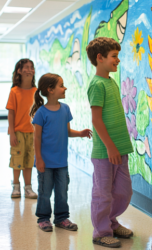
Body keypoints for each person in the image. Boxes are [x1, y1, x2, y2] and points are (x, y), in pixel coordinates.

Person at [86, 37, 134, 248]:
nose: (118, 60)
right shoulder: (96, 84)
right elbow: (96, 120)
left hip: (120, 149)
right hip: (105, 151)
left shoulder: (111, 82)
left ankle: (111, 222)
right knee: (103, 193)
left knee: (123, 191)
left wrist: (118, 147)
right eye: (114, 56)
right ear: (100, 58)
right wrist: (110, 146)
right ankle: (101, 231)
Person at [30, 73, 92, 232]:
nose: (65, 88)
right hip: (46, 162)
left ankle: (61, 218)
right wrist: (39, 160)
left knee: (62, 191)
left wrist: (80, 133)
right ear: (50, 90)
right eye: (61, 85)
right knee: (45, 192)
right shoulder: (41, 113)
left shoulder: (65, 109)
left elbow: (67, 131)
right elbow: (36, 138)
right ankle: (43, 219)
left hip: (62, 162)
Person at [6, 58, 38, 199]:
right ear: (19, 71)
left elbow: (38, 113)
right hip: (18, 132)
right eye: (26, 67)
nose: (29, 69)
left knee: (29, 161)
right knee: (17, 160)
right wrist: (12, 132)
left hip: (32, 132)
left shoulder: (36, 91)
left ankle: (28, 187)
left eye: (31, 67)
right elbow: (11, 113)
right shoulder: (14, 91)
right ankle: (16, 186)